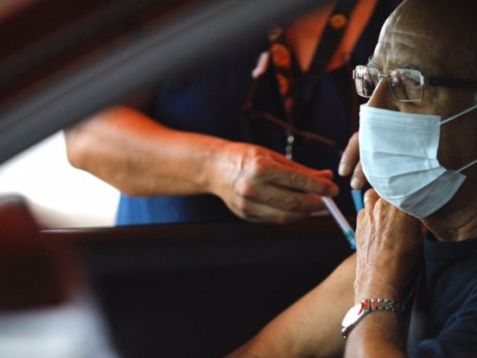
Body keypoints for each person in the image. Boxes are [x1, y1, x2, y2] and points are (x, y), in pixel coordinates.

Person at [207, 0, 477, 358]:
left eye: (408, 85)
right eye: (372, 81)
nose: (374, 109)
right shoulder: (410, 242)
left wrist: (375, 288)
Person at [65, 1, 399, 225]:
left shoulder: (429, 14)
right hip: (166, 283)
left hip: (342, 303)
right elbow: (87, 134)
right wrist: (215, 167)